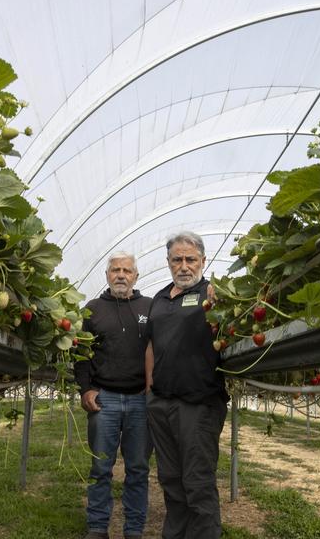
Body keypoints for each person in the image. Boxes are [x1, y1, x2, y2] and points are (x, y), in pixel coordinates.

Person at [145, 231, 229, 539]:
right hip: (161, 403)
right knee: (170, 479)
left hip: (198, 403)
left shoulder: (212, 294)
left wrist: (222, 298)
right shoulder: (159, 299)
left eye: (190, 259)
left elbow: (227, 325)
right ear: (168, 262)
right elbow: (151, 345)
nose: (184, 266)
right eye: (177, 259)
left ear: (203, 261)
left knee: (197, 483)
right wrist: (149, 391)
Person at [75, 251, 153, 539]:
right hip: (104, 398)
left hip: (140, 400)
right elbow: (81, 354)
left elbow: (159, 348)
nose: (121, 275)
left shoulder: (150, 306)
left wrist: (152, 388)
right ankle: (97, 527)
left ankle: (133, 530)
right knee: (100, 465)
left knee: (138, 468)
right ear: (107, 275)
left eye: (127, 270)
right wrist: (86, 388)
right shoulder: (93, 309)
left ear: (135, 276)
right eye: (115, 270)